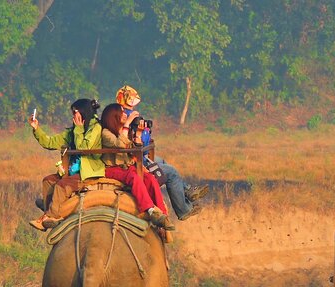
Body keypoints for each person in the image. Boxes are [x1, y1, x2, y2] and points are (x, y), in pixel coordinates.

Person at [115, 85, 208, 220]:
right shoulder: (126, 119)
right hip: (133, 160)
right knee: (172, 172)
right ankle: (184, 210)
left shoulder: (117, 115)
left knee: (161, 161)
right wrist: (139, 131)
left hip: (136, 156)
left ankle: (187, 190)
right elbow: (133, 143)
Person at [28, 98, 104, 230]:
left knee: (62, 186)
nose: (73, 116)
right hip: (73, 169)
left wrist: (79, 129)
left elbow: (84, 148)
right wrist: (36, 129)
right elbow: (50, 142)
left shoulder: (95, 128)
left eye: (75, 112)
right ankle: (49, 209)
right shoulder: (72, 131)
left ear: (83, 113)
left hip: (88, 171)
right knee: (48, 181)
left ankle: (50, 216)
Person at [100, 103, 175, 231]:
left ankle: (162, 215)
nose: (125, 115)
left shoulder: (122, 131)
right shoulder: (106, 133)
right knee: (134, 178)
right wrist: (127, 124)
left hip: (127, 167)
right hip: (112, 168)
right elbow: (120, 144)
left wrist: (138, 135)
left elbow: (134, 150)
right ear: (114, 116)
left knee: (150, 179)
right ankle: (150, 210)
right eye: (122, 112)